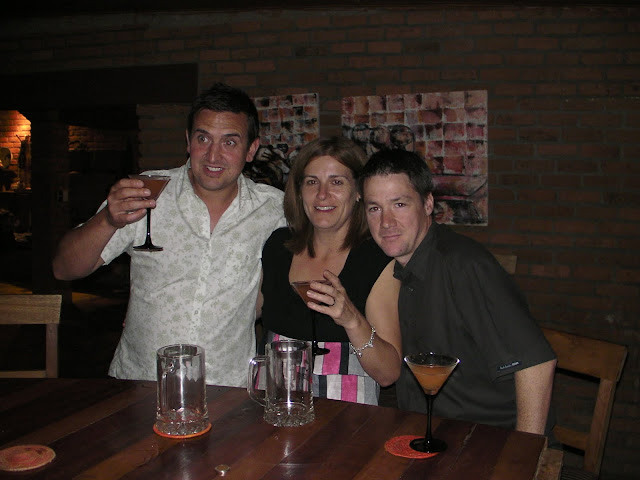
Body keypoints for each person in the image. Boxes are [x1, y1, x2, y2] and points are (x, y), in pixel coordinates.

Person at [52, 83, 286, 387]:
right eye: (203, 138)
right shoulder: (146, 191)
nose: (213, 154)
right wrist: (107, 220)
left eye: (229, 142)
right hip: (141, 381)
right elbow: (64, 268)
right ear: (188, 141)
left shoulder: (273, 208)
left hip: (228, 387)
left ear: (251, 149)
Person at [358, 149, 557, 435]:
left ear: (428, 203)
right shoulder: (399, 269)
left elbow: (536, 363)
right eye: (374, 208)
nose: (386, 222)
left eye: (399, 204)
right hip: (431, 433)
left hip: (490, 438)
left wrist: (523, 453)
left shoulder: (464, 265)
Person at [257, 136, 402, 405]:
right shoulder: (277, 247)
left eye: (337, 182)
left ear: (358, 191)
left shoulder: (376, 260)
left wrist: (352, 320)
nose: (322, 195)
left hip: (345, 417)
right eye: (312, 182)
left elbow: (388, 374)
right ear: (299, 191)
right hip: (277, 408)